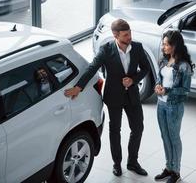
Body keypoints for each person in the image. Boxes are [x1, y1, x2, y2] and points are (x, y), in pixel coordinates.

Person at [64, 19, 150, 177]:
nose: (129, 37)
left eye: (130, 33)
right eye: (125, 35)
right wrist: (78, 87)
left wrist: (134, 79)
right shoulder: (106, 50)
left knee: (138, 128)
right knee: (115, 130)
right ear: (115, 35)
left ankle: (133, 162)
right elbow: (92, 68)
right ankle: (117, 163)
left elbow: (146, 68)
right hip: (114, 96)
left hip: (132, 96)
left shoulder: (137, 47)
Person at [154, 30, 194, 183]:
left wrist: (167, 90)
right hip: (161, 104)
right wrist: (158, 86)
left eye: (166, 44)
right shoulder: (164, 61)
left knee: (174, 138)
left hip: (174, 107)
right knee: (165, 137)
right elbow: (160, 78)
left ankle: (176, 171)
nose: (163, 47)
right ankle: (168, 167)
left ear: (175, 46)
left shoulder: (184, 66)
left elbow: (185, 91)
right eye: (163, 44)